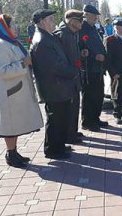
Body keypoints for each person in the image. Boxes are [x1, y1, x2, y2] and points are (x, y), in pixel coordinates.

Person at [0, 14, 43, 168]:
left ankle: (14, 152)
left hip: (16, 92)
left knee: (15, 125)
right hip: (8, 93)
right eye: (12, 25)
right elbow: (2, 71)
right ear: (4, 28)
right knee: (10, 127)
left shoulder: (11, 42)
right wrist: (24, 64)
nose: (16, 27)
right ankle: (10, 154)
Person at [30, 9, 79, 160]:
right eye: (51, 19)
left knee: (61, 117)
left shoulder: (47, 37)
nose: (53, 22)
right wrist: (73, 72)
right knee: (55, 119)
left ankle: (59, 145)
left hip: (59, 86)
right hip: (53, 87)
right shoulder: (42, 40)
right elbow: (54, 66)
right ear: (42, 22)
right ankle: (52, 150)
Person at [53, 9, 85, 144]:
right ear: (72, 22)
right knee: (69, 108)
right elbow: (62, 59)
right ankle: (68, 135)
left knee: (74, 107)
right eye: (80, 21)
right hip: (67, 78)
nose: (82, 23)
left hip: (73, 76)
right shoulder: (62, 35)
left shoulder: (72, 34)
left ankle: (72, 131)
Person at [79, 4, 108, 132]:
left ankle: (95, 118)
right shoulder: (82, 29)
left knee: (98, 96)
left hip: (98, 68)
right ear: (86, 15)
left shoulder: (93, 29)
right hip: (89, 68)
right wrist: (94, 56)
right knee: (89, 96)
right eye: (94, 16)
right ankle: (87, 122)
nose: (96, 18)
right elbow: (81, 49)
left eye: (96, 16)